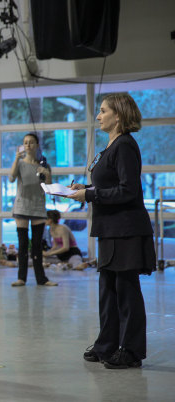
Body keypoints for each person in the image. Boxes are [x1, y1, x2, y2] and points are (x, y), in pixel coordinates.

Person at [68, 92, 156, 369]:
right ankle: (107, 344)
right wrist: (86, 190)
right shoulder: (111, 147)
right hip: (110, 229)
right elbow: (109, 186)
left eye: (103, 110)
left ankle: (131, 351)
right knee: (108, 289)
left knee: (126, 290)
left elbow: (128, 190)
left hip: (126, 229)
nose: (98, 115)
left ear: (118, 115)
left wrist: (91, 195)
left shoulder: (125, 146)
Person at [8, 133, 57, 287]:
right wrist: (16, 158)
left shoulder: (43, 165)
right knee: (22, 245)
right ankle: (21, 278)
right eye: (25, 142)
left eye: (31, 142)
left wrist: (47, 174)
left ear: (37, 145)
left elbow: (49, 188)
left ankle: (41, 279)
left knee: (37, 245)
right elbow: (11, 178)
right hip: (22, 206)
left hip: (38, 207)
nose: (28, 145)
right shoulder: (20, 163)